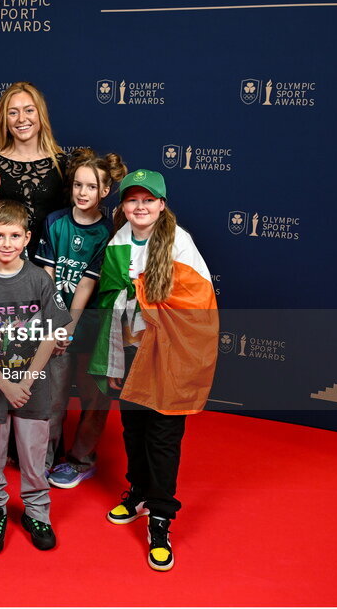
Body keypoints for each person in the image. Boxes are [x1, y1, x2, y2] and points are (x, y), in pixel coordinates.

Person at [87, 169, 219, 571]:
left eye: (148, 200)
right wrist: (111, 359)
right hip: (130, 353)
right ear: (123, 206)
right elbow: (109, 302)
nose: (139, 207)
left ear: (161, 205)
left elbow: (198, 301)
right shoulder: (118, 243)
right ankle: (139, 493)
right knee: (134, 427)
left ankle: (160, 516)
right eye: (132, 200)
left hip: (168, 354)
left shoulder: (180, 242)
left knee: (163, 434)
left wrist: (140, 288)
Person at [0, 200, 71, 554]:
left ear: (26, 238)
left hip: (33, 386)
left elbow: (54, 333)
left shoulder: (38, 278)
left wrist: (26, 381)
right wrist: (4, 383)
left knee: (34, 456)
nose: (7, 243)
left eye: (15, 235)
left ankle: (37, 512)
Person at [33, 149, 127, 486]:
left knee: (93, 394)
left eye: (91, 187)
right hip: (55, 322)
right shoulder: (55, 221)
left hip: (90, 325)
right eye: (77, 185)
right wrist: (54, 322)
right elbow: (45, 272)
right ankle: (42, 459)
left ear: (104, 191)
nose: (82, 192)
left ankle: (81, 459)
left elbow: (87, 283)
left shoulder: (109, 232)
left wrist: (68, 325)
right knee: (52, 394)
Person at [0, 81, 68, 255]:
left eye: (29, 110)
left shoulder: (63, 164)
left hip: (52, 261)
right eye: (13, 112)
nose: (21, 119)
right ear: (4, 119)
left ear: (40, 114)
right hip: (7, 261)